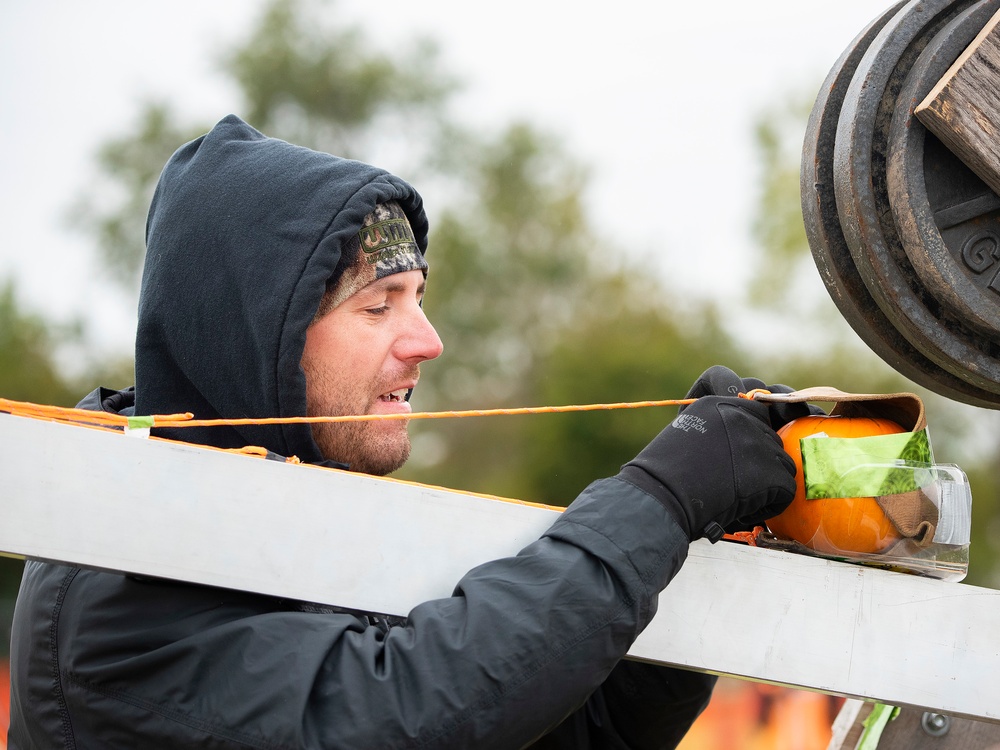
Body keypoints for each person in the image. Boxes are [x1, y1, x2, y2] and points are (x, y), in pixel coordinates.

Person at [8, 115, 804, 749]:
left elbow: (563, 733)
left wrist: (699, 542)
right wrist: (660, 499)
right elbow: (405, 716)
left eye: (420, 297)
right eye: (379, 304)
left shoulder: (307, 524)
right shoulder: (115, 578)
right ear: (262, 340)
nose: (428, 340)